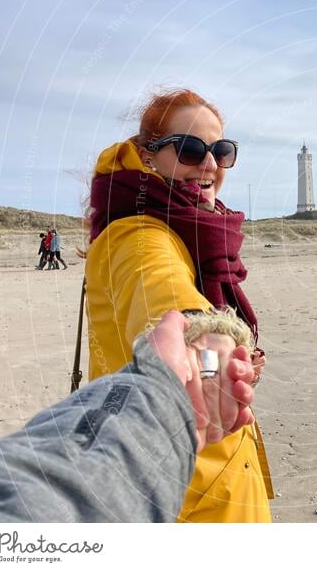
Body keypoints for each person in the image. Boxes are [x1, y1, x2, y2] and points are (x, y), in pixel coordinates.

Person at [85, 88, 272, 523]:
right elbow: (163, 292)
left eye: (221, 151)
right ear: (148, 157)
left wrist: (236, 363)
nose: (209, 165)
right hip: (183, 496)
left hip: (212, 478)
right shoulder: (136, 235)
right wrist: (206, 346)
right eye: (189, 149)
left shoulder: (189, 230)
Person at [0, 311, 257, 522]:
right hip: (194, 497)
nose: (213, 207)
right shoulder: (142, 234)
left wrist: (168, 399)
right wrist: (166, 387)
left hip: (163, 470)